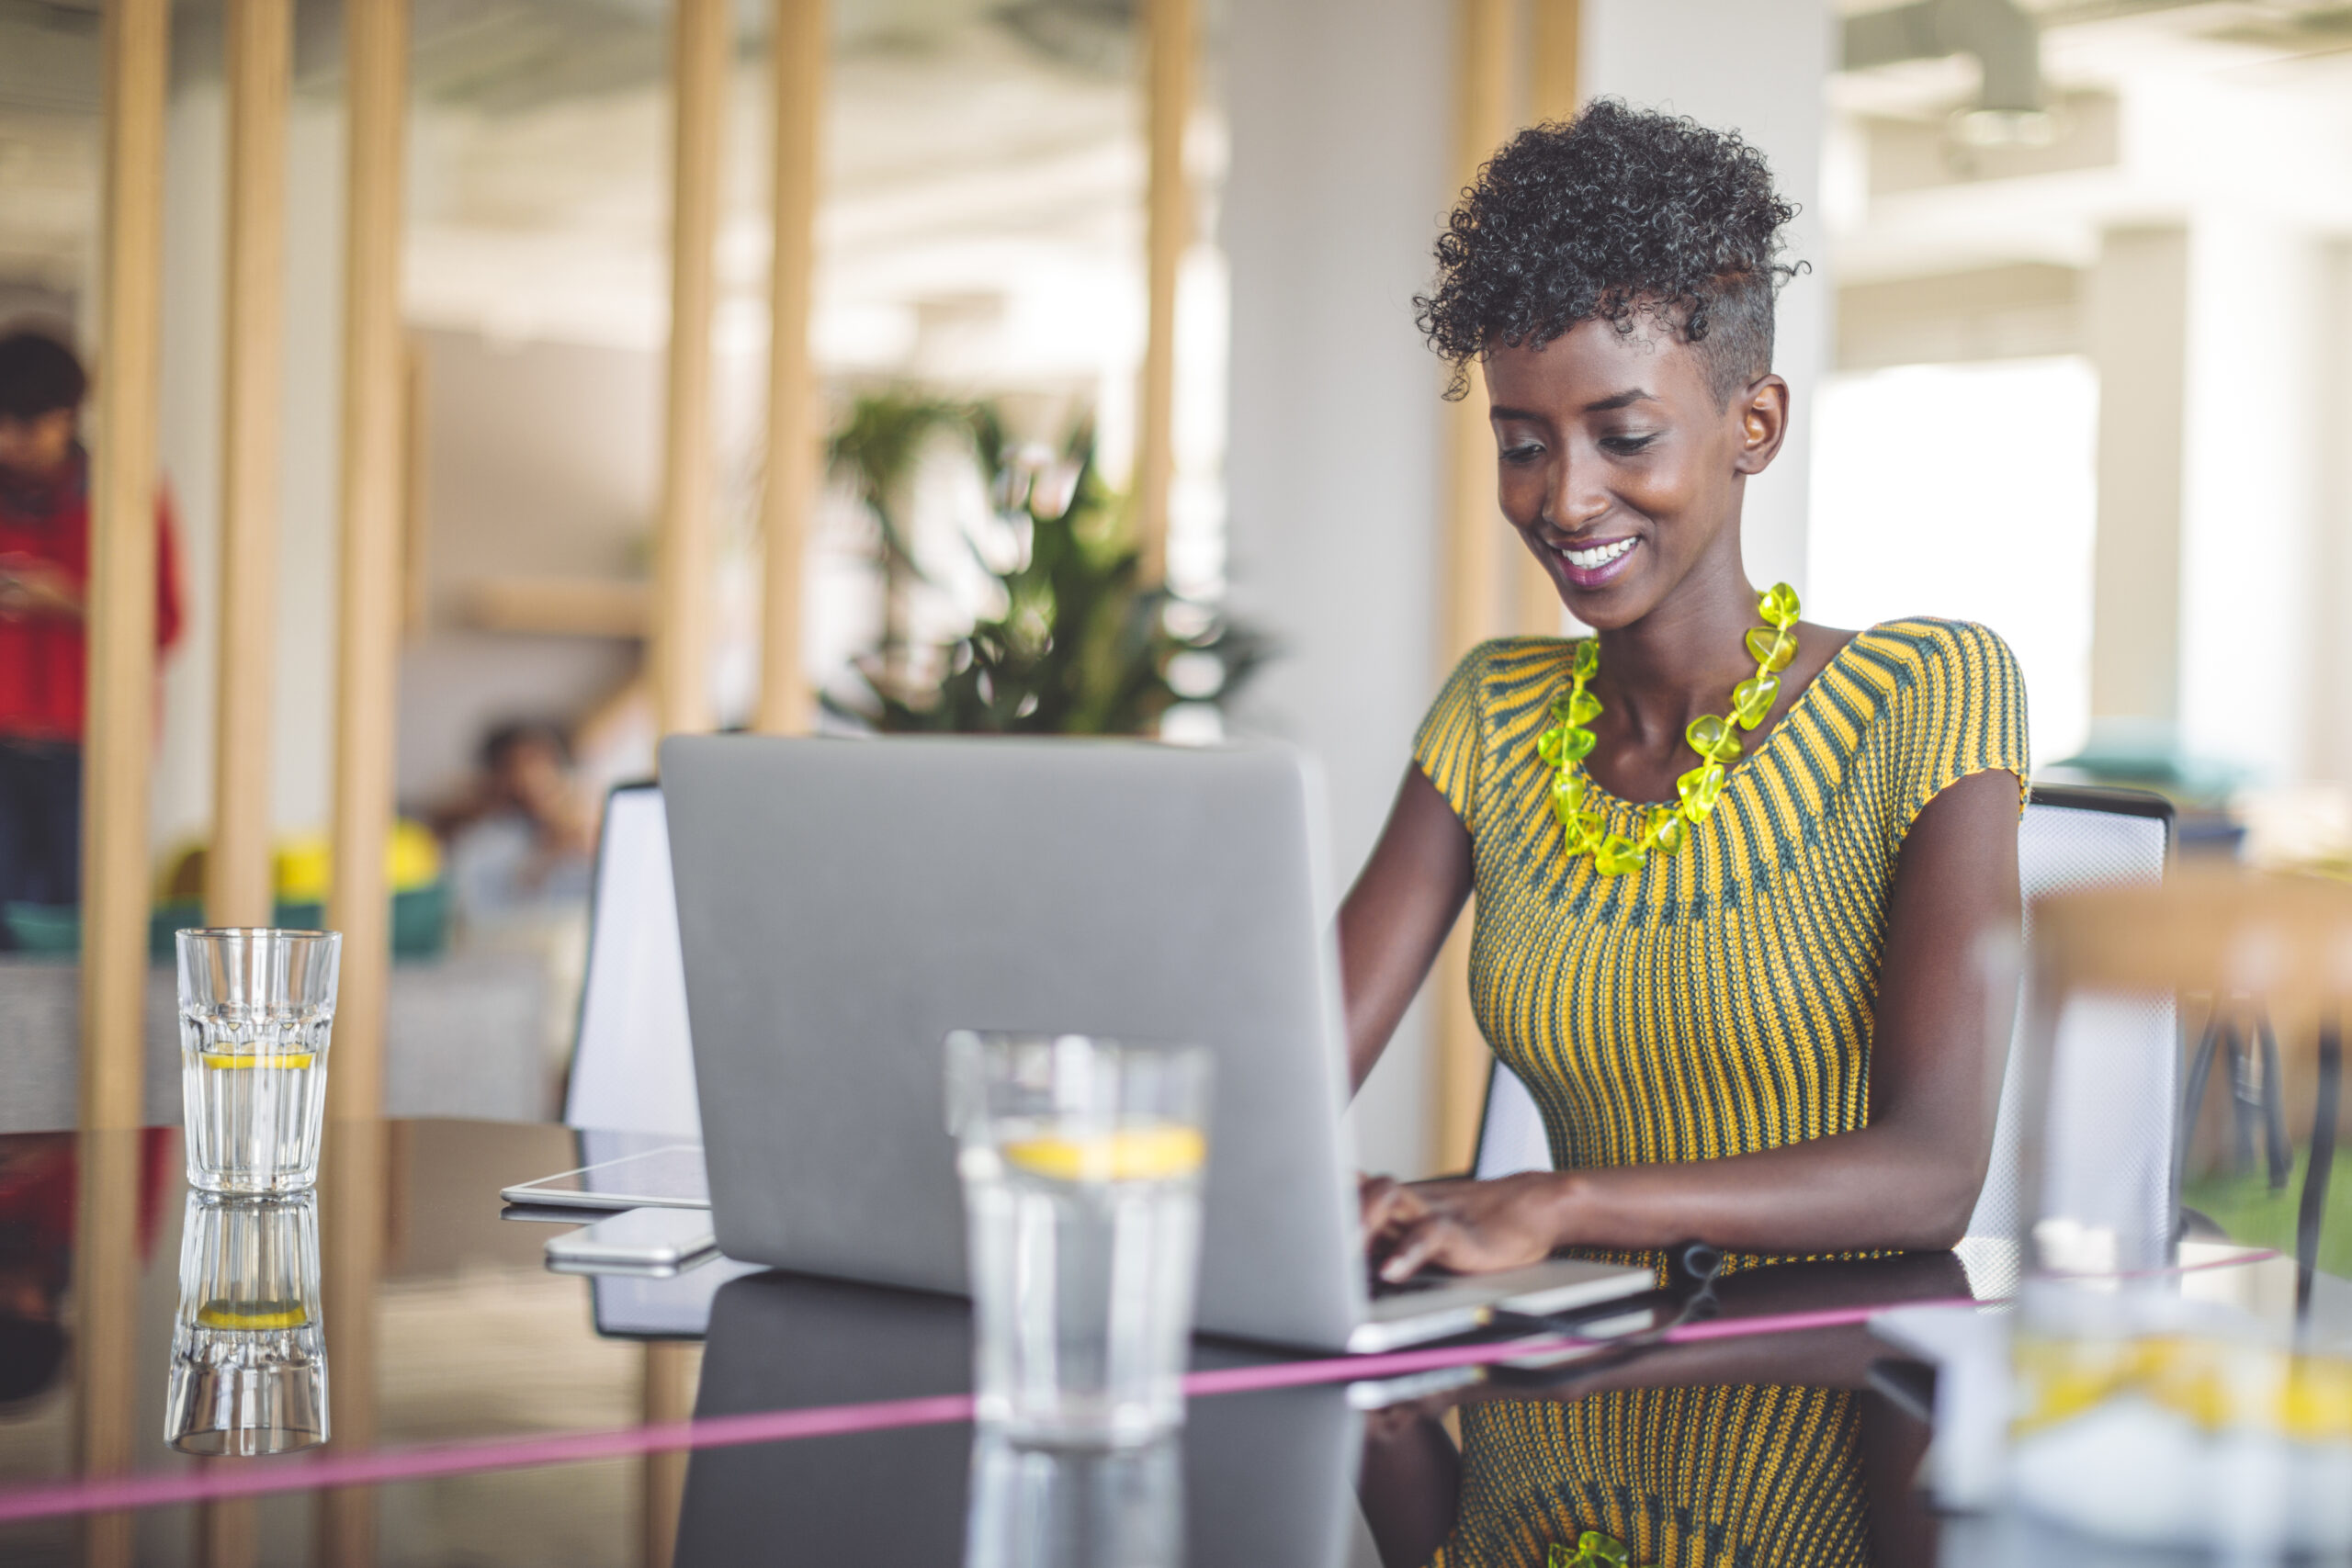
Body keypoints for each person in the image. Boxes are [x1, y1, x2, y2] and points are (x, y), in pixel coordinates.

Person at [1346, 102, 2027, 1282]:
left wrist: (1561, 1202)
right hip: (1547, 1404)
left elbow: (1932, 1174)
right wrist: (1350, 1196)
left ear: (1752, 425)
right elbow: (1287, 1092)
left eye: (1623, 436)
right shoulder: (1490, 715)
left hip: (1812, 1410)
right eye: (1522, 444)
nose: (1562, 500)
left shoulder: (1926, 694)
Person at [0, 328, 184, 935]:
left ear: (70, 416)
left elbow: (165, 624)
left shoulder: (126, 497)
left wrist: (72, 601)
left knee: (85, 921)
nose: (12, 441)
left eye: (30, 425)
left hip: (93, 744)